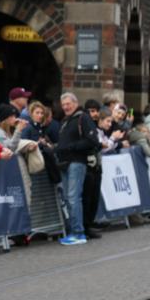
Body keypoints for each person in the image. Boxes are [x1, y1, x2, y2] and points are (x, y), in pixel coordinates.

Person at [55, 92, 99, 245]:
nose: (66, 107)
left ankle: (78, 233)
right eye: (64, 104)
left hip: (76, 162)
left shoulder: (83, 117)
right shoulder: (65, 120)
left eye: (69, 103)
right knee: (69, 198)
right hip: (65, 163)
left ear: (75, 103)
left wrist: (72, 147)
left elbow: (93, 140)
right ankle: (75, 232)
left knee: (74, 198)